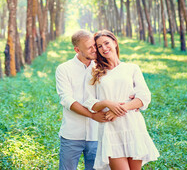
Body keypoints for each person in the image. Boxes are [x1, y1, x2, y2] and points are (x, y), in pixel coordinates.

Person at [83, 30, 159, 170]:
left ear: (115, 43)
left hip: (133, 126)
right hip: (111, 129)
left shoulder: (131, 68)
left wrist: (118, 110)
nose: (104, 48)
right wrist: (107, 103)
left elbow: (144, 97)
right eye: (99, 46)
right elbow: (90, 103)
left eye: (107, 43)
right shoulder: (94, 72)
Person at [55, 30, 109, 170]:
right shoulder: (64, 69)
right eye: (89, 47)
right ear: (77, 49)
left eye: (94, 46)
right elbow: (66, 99)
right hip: (72, 134)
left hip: (97, 134)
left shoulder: (102, 68)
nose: (94, 50)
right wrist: (92, 115)